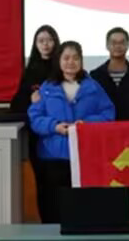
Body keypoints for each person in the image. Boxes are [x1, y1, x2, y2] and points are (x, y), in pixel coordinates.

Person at [28, 41, 115, 223]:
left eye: (75, 58)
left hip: (85, 156)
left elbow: (108, 114)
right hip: (53, 157)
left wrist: (86, 124)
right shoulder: (47, 87)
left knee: (83, 206)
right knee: (53, 206)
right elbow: (35, 117)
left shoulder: (93, 87)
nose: (71, 62)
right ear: (58, 61)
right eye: (66, 58)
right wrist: (54, 126)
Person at [9, 24, 60, 220]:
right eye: (41, 41)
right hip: (38, 137)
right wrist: (30, 100)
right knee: (42, 182)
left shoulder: (63, 67)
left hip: (62, 135)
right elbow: (16, 104)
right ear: (35, 45)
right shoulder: (30, 71)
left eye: (49, 40)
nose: (45, 45)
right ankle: (47, 223)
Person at [90, 27, 129, 120]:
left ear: (128, 45)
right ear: (107, 45)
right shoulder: (95, 76)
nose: (118, 46)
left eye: (122, 42)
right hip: (104, 125)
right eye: (114, 43)